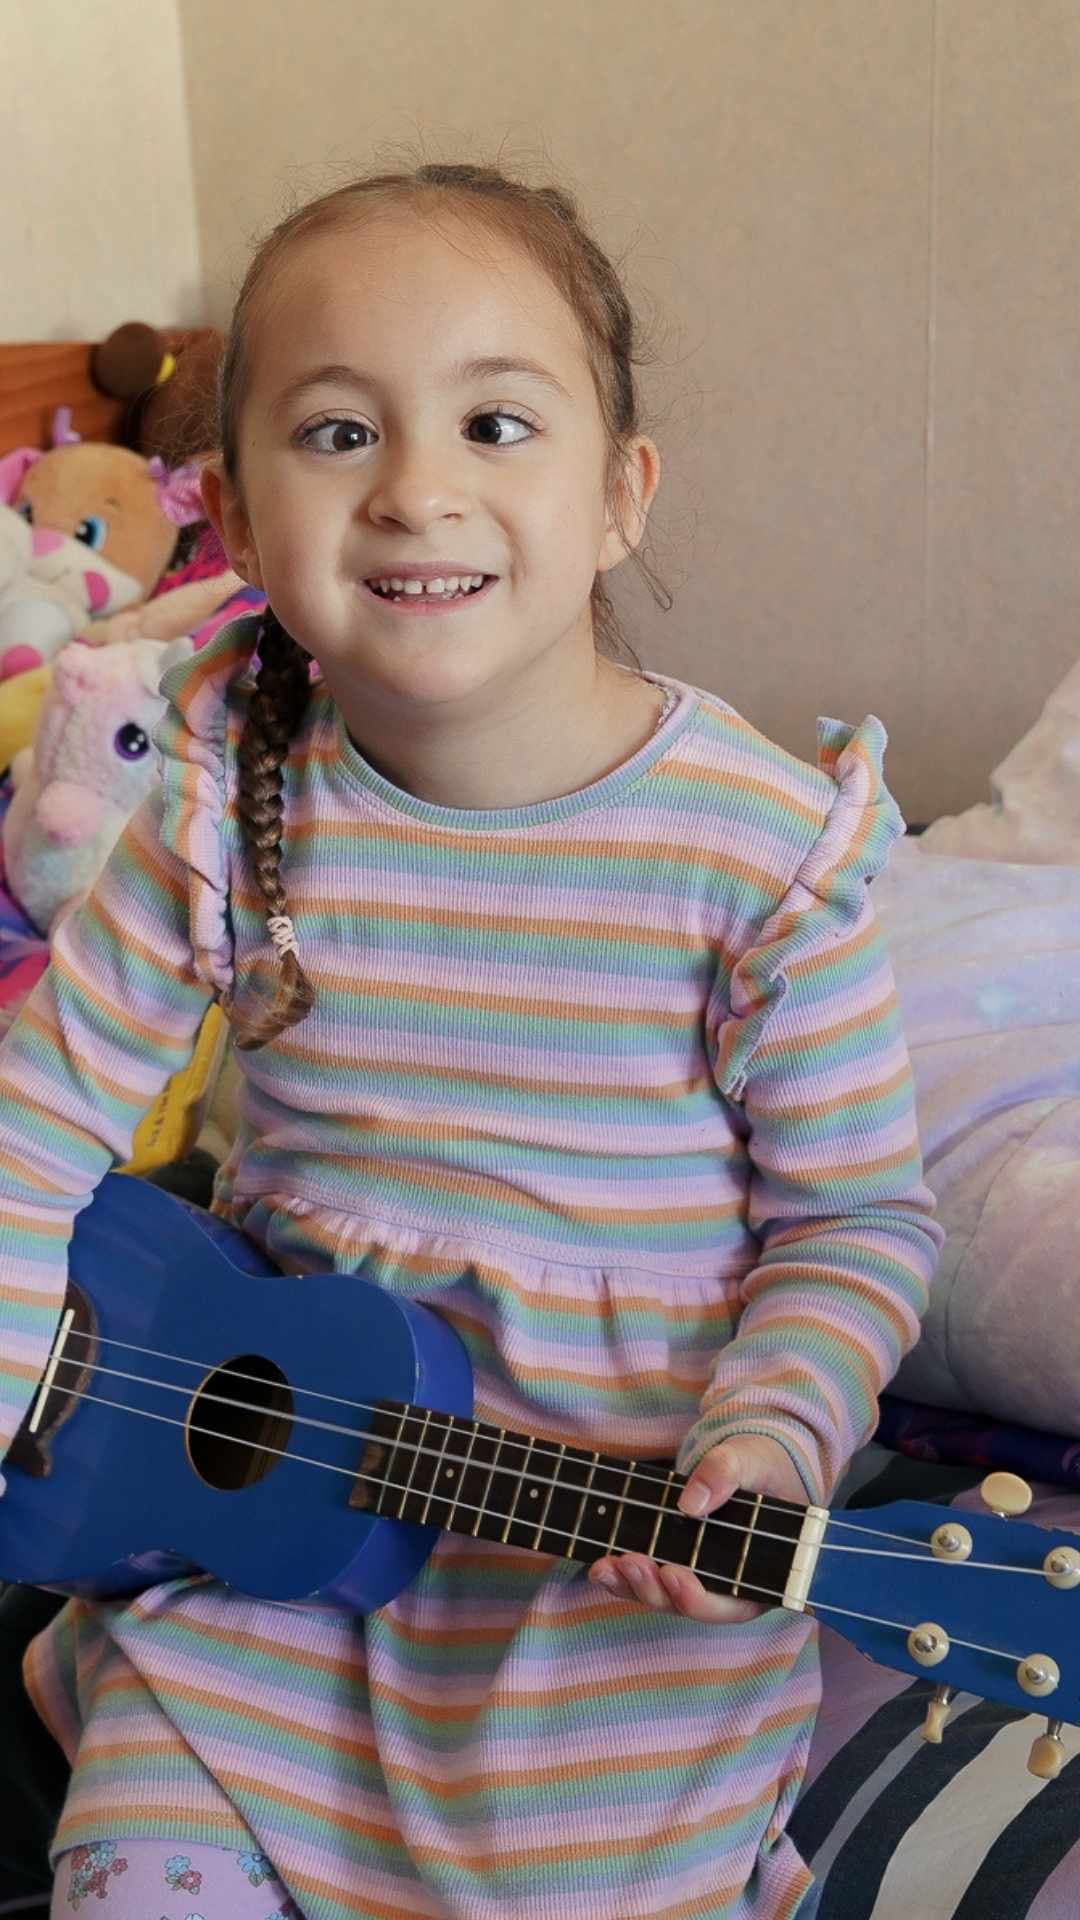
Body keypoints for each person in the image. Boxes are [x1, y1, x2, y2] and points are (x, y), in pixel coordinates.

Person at [0, 159, 942, 1920]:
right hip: (259, 1566)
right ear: (233, 509)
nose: (419, 491)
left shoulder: (764, 856)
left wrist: (775, 1432)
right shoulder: (226, 799)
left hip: (599, 1567)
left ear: (619, 498)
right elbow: (33, 1125)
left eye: (497, 424)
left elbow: (857, 1221)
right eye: (339, 435)